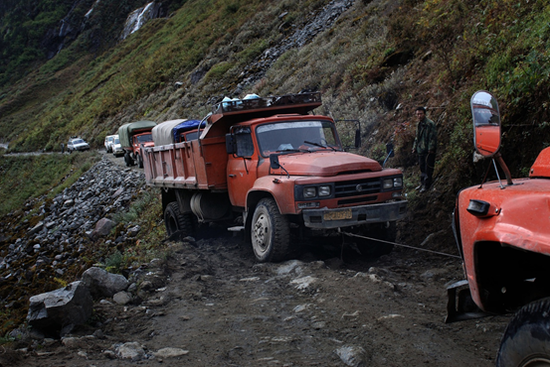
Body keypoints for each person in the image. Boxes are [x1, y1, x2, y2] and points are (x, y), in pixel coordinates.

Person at [411, 107, 437, 192]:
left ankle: (427, 185)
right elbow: (417, 137)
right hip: (420, 150)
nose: (419, 116)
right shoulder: (419, 124)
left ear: (424, 114)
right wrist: (414, 147)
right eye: (417, 114)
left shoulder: (430, 124)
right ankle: (422, 183)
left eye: (421, 114)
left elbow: (432, 137)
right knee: (422, 167)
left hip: (428, 150)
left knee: (428, 168)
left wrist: (431, 148)